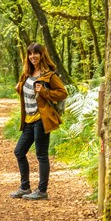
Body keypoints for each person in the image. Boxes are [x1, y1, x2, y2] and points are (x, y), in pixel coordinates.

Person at [10, 43, 67, 200]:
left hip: (42, 119)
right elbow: (23, 88)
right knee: (19, 151)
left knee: (41, 154)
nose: (32, 56)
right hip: (28, 119)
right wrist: (20, 87)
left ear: (42, 55)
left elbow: (63, 93)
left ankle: (42, 191)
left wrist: (45, 92)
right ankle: (25, 187)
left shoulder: (49, 75)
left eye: (36, 53)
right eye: (30, 54)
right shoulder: (27, 73)